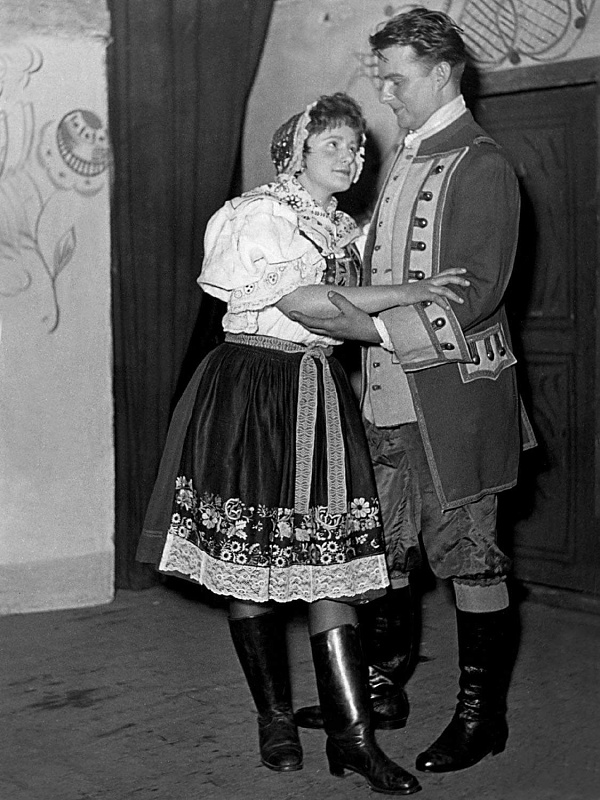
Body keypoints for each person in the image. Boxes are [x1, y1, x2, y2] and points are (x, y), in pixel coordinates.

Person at [136, 92, 468, 794]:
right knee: (250, 555)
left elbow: (341, 305)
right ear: (296, 151)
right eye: (335, 145)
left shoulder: (341, 227)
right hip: (255, 389)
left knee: (333, 560)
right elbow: (305, 304)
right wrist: (408, 296)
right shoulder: (259, 216)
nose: (352, 157)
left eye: (358, 147)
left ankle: (352, 738)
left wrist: (409, 291)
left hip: (317, 388)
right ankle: (275, 718)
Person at [290, 9, 536, 776]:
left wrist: (357, 325)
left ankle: (482, 717)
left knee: (470, 557)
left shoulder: (482, 163)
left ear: (443, 72)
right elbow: (389, 275)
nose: (387, 95)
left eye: (397, 80)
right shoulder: (405, 156)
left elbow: (474, 294)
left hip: (453, 404)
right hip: (385, 398)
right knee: (386, 551)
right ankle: (382, 688)